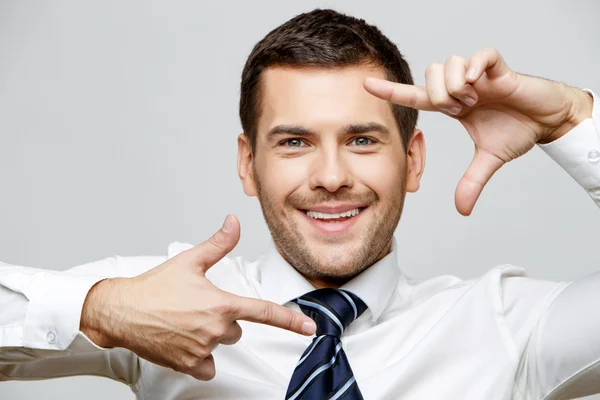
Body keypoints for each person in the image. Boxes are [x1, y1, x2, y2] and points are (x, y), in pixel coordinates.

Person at [1, 8, 599, 400]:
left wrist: (573, 122)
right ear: (247, 163)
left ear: (414, 160)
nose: (332, 176)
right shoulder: (163, 298)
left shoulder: (503, 325)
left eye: (362, 139)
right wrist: (104, 308)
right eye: (294, 142)